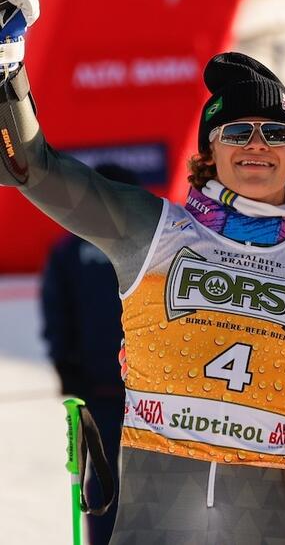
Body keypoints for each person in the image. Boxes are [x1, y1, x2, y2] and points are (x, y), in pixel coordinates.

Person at [0, 0, 285, 543]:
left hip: (262, 524)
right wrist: (7, 66)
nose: (257, 144)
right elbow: (29, 168)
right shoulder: (151, 230)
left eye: (276, 133)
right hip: (154, 520)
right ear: (210, 151)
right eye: (237, 131)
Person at [40, 163, 140, 545]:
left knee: (151, 480)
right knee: (100, 480)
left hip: (150, 394)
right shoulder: (70, 250)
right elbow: (56, 311)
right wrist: (65, 364)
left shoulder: (152, 246)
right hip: (96, 390)